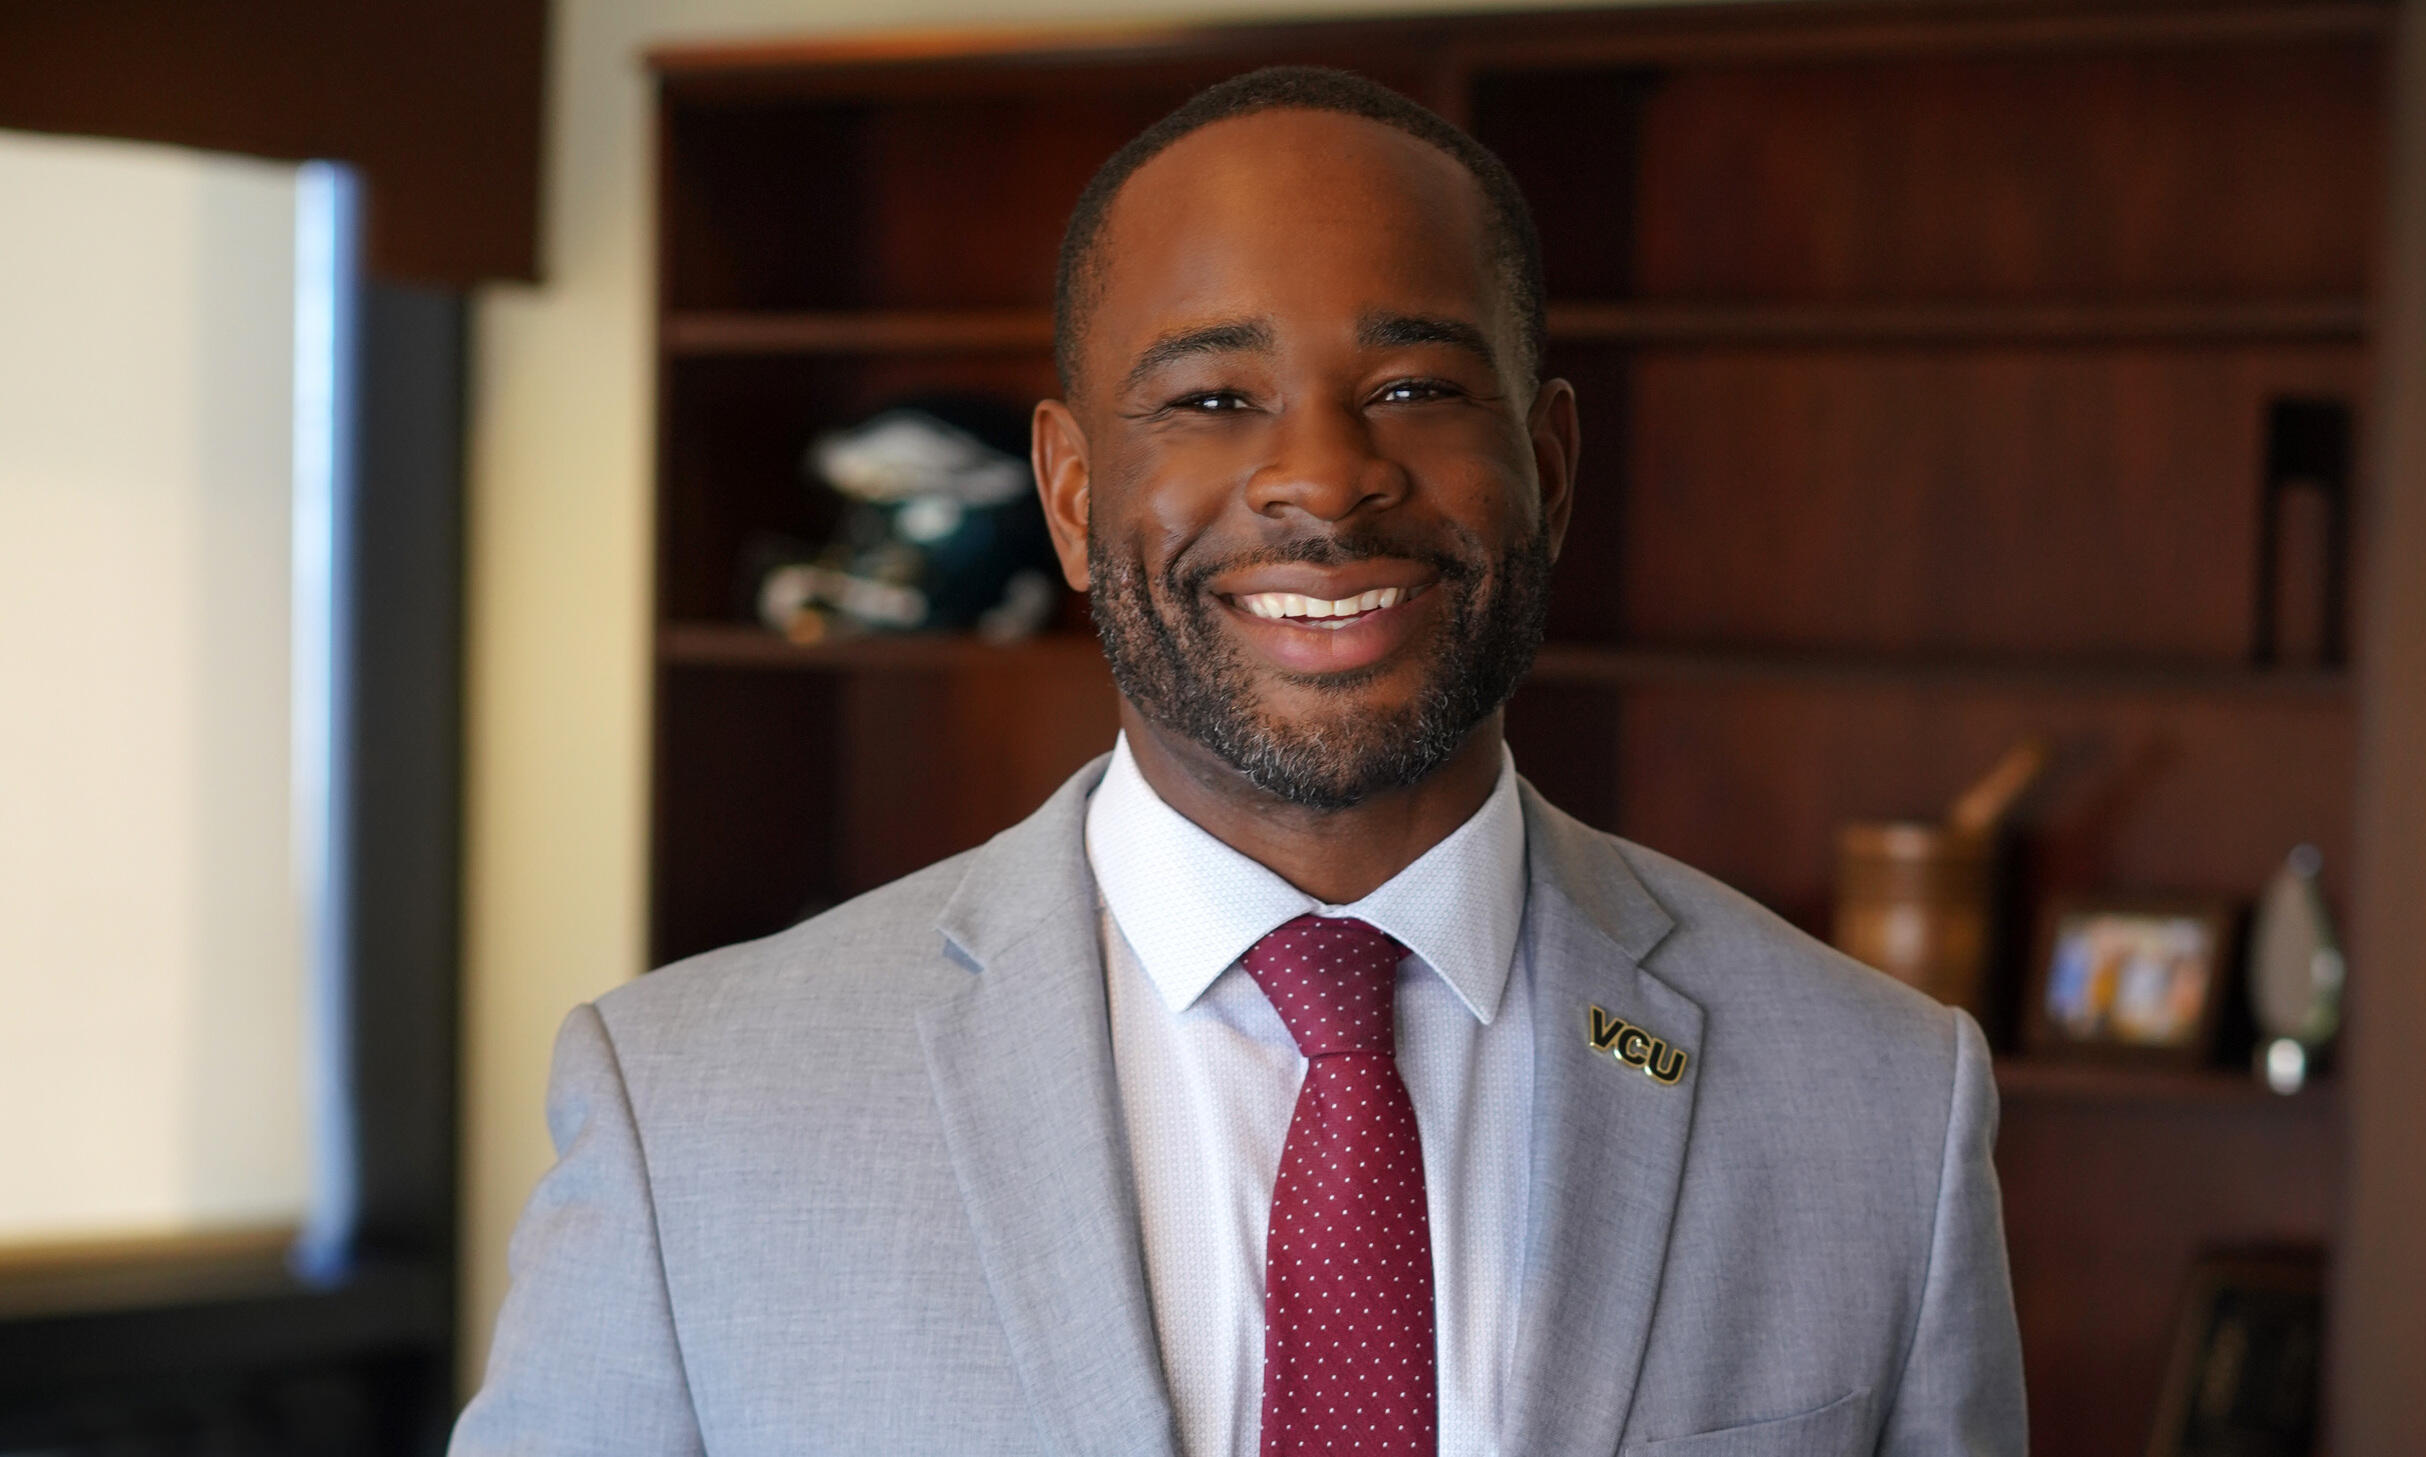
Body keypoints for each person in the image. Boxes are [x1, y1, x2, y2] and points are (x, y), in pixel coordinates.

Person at [452, 66, 2025, 1457]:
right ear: (1072, 498)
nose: (1324, 482)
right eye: (1211, 397)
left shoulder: (1883, 1103)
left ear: (1548, 468)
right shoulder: (691, 1111)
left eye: (1412, 388)